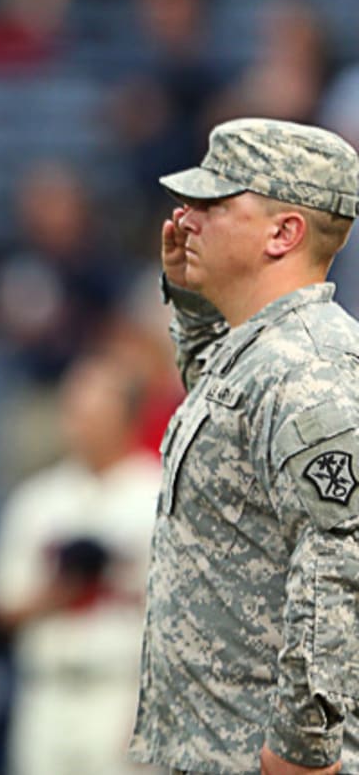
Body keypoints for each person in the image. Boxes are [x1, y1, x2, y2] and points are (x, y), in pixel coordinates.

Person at [128, 117, 359, 775]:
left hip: (262, 759)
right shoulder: (260, 350)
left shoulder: (314, 367)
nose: (184, 216)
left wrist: (304, 746)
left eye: (213, 204)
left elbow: (339, 567)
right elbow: (226, 423)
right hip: (209, 748)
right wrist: (194, 304)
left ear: (284, 233)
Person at [0, 353, 161, 775]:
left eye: (95, 411)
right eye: (75, 410)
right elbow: (1, 608)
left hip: (122, 692)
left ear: (126, 416)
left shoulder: (157, 495)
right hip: (47, 692)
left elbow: (184, 618)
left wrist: (114, 571)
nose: (80, 423)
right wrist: (64, 586)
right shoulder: (39, 498)